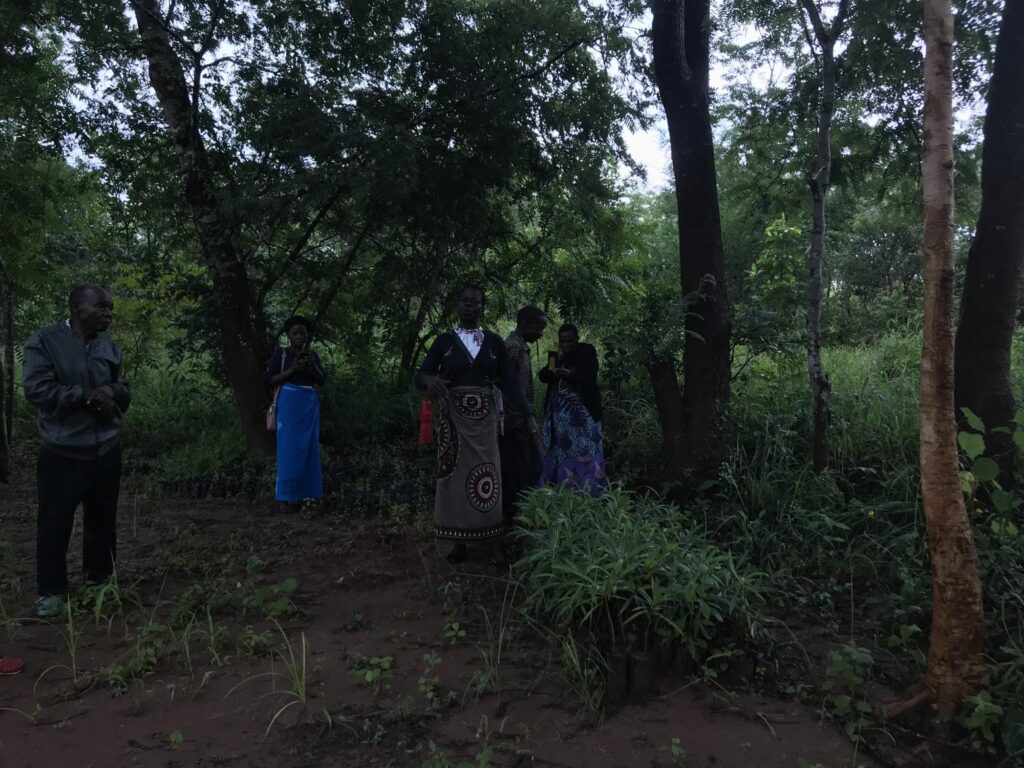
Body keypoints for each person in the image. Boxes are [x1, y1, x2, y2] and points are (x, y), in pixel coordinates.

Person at [23, 285, 131, 618]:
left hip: (105, 449)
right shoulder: (44, 342)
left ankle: (100, 582)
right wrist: (87, 397)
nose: (108, 314)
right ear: (76, 308)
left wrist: (111, 390)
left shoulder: (109, 349)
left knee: (103, 521)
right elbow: (38, 390)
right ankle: (52, 592)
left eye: (110, 309)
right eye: (101, 307)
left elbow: (123, 392)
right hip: (62, 450)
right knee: (55, 523)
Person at [416, 286, 536, 564]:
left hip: (485, 419)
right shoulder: (444, 341)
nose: (469, 305)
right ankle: (459, 543)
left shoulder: (494, 342)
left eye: (475, 302)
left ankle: (495, 543)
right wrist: (429, 380)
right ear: (457, 305)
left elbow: (510, 382)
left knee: (489, 477)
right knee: (454, 479)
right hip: (452, 419)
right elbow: (421, 374)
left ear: (482, 307)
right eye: (464, 301)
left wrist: (528, 415)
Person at [538, 323, 607, 496]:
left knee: (586, 451)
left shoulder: (586, 351)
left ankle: (591, 491)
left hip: (582, 417)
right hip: (560, 423)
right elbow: (544, 376)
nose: (566, 345)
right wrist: (556, 362)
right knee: (562, 453)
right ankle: (563, 490)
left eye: (569, 341)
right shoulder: (557, 355)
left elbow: (590, 376)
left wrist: (570, 375)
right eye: (562, 342)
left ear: (576, 339)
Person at [265, 316, 326, 506]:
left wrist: (311, 366)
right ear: (288, 335)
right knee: (288, 451)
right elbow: (269, 380)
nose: (299, 336)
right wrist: (292, 369)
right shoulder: (281, 354)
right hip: (289, 406)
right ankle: (286, 498)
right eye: (295, 333)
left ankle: (310, 494)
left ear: (307, 336)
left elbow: (322, 380)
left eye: (303, 333)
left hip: (309, 405)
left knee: (309, 449)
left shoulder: (312, 355)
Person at [501, 306, 548, 524]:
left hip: (520, 419)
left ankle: (520, 516)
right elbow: (510, 388)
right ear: (525, 324)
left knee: (529, 466)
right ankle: (514, 519)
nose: (541, 333)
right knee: (520, 470)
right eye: (539, 327)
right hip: (515, 421)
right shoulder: (513, 349)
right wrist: (528, 420)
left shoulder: (519, 347)